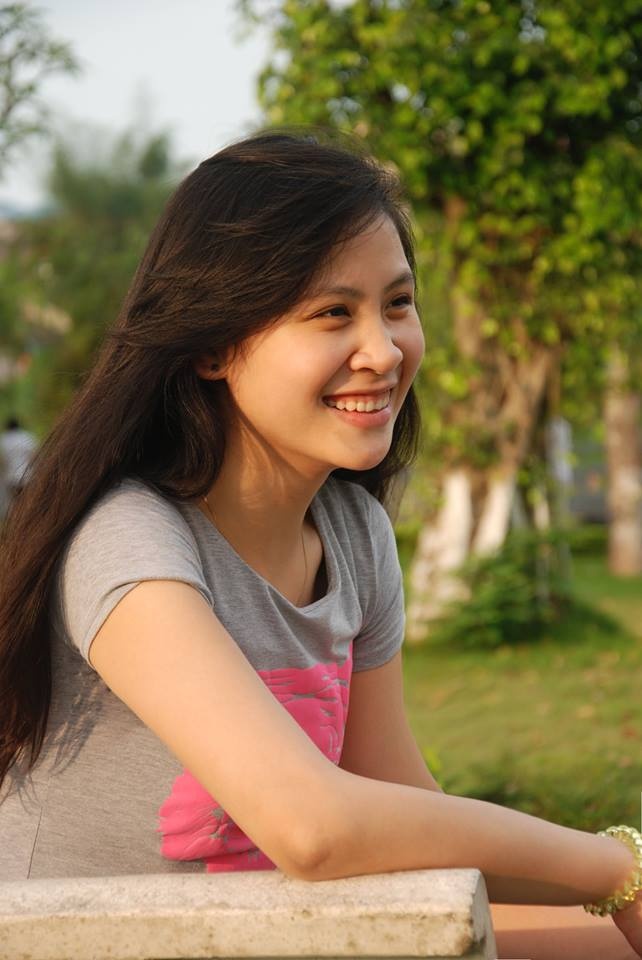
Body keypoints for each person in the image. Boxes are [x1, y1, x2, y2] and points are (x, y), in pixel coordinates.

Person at [0, 130, 640, 960]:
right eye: (332, 313)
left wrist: (614, 897)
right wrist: (618, 868)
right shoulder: (130, 541)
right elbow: (312, 829)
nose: (383, 350)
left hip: (275, 937)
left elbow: (402, 806)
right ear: (212, 344)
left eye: (398, 304)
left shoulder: (354, 535)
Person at [0, 417, 37, 516]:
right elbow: (34, 457)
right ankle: (29, 517)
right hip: (27, 476)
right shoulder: (27, 437)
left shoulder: (4, 439)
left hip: (11, 478)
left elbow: (2, 461)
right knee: (27, 501)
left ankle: (18, 519)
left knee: (15, 503)